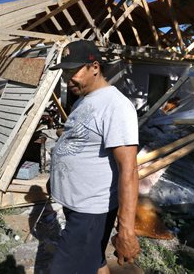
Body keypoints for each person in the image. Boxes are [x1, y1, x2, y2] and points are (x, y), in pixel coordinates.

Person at [48, 40, 140, 274]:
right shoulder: (84, 100)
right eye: (66, 72)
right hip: (77, 205)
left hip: (91, 211)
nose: (69, 79)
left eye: (73, 71)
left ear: (95, 67)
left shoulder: (116, 106)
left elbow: (129, 169)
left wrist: (126, 230)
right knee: (95, 260)